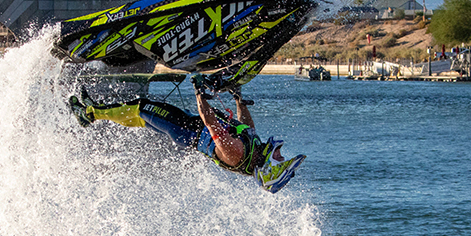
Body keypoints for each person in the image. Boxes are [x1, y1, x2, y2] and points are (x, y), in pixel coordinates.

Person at [68, 77, 305, 193]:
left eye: (281, 160)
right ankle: (96, 109)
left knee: (141, 108)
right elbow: (246, 127)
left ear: (269, 168)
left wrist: (198, 90)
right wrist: (238, 97)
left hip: (184, 129)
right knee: (142, 116)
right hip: (189, 125)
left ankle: (88, 114)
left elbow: (210, 122)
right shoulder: (254, 150)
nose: (281, 155)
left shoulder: (236, 154)